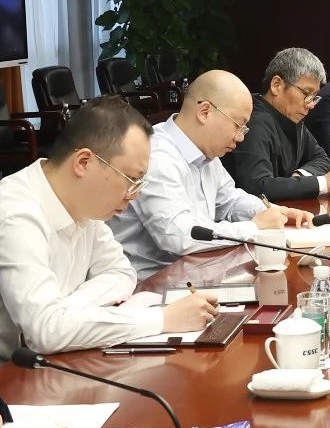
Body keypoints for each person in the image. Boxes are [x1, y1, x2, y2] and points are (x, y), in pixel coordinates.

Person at [0, 97, 218, 358]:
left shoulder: (83, 201)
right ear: (83, 162)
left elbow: (122, 272)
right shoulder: (15, 214)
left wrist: (68, 310)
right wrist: (162, 319)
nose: (134, 195)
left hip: (61, 358)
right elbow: (45, 331)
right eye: (131, 179)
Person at [113, 71, 315, 279]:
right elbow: (178, 235)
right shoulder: (157, 155)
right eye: (238, 125)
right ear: (205, 112)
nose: (240, 138)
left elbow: (230, 200)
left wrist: (272, 211)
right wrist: (253, 228)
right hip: (152, 283)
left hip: (195, 271)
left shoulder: (205, 152)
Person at [223, 47, 330, 201]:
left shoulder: (292, 117)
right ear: (276, 85)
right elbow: (257, 187)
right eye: (306, 93)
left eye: (314, 97)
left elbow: (322, 158)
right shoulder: (254, 122)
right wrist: (321, 183)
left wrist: (299, 177)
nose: (311, 104)